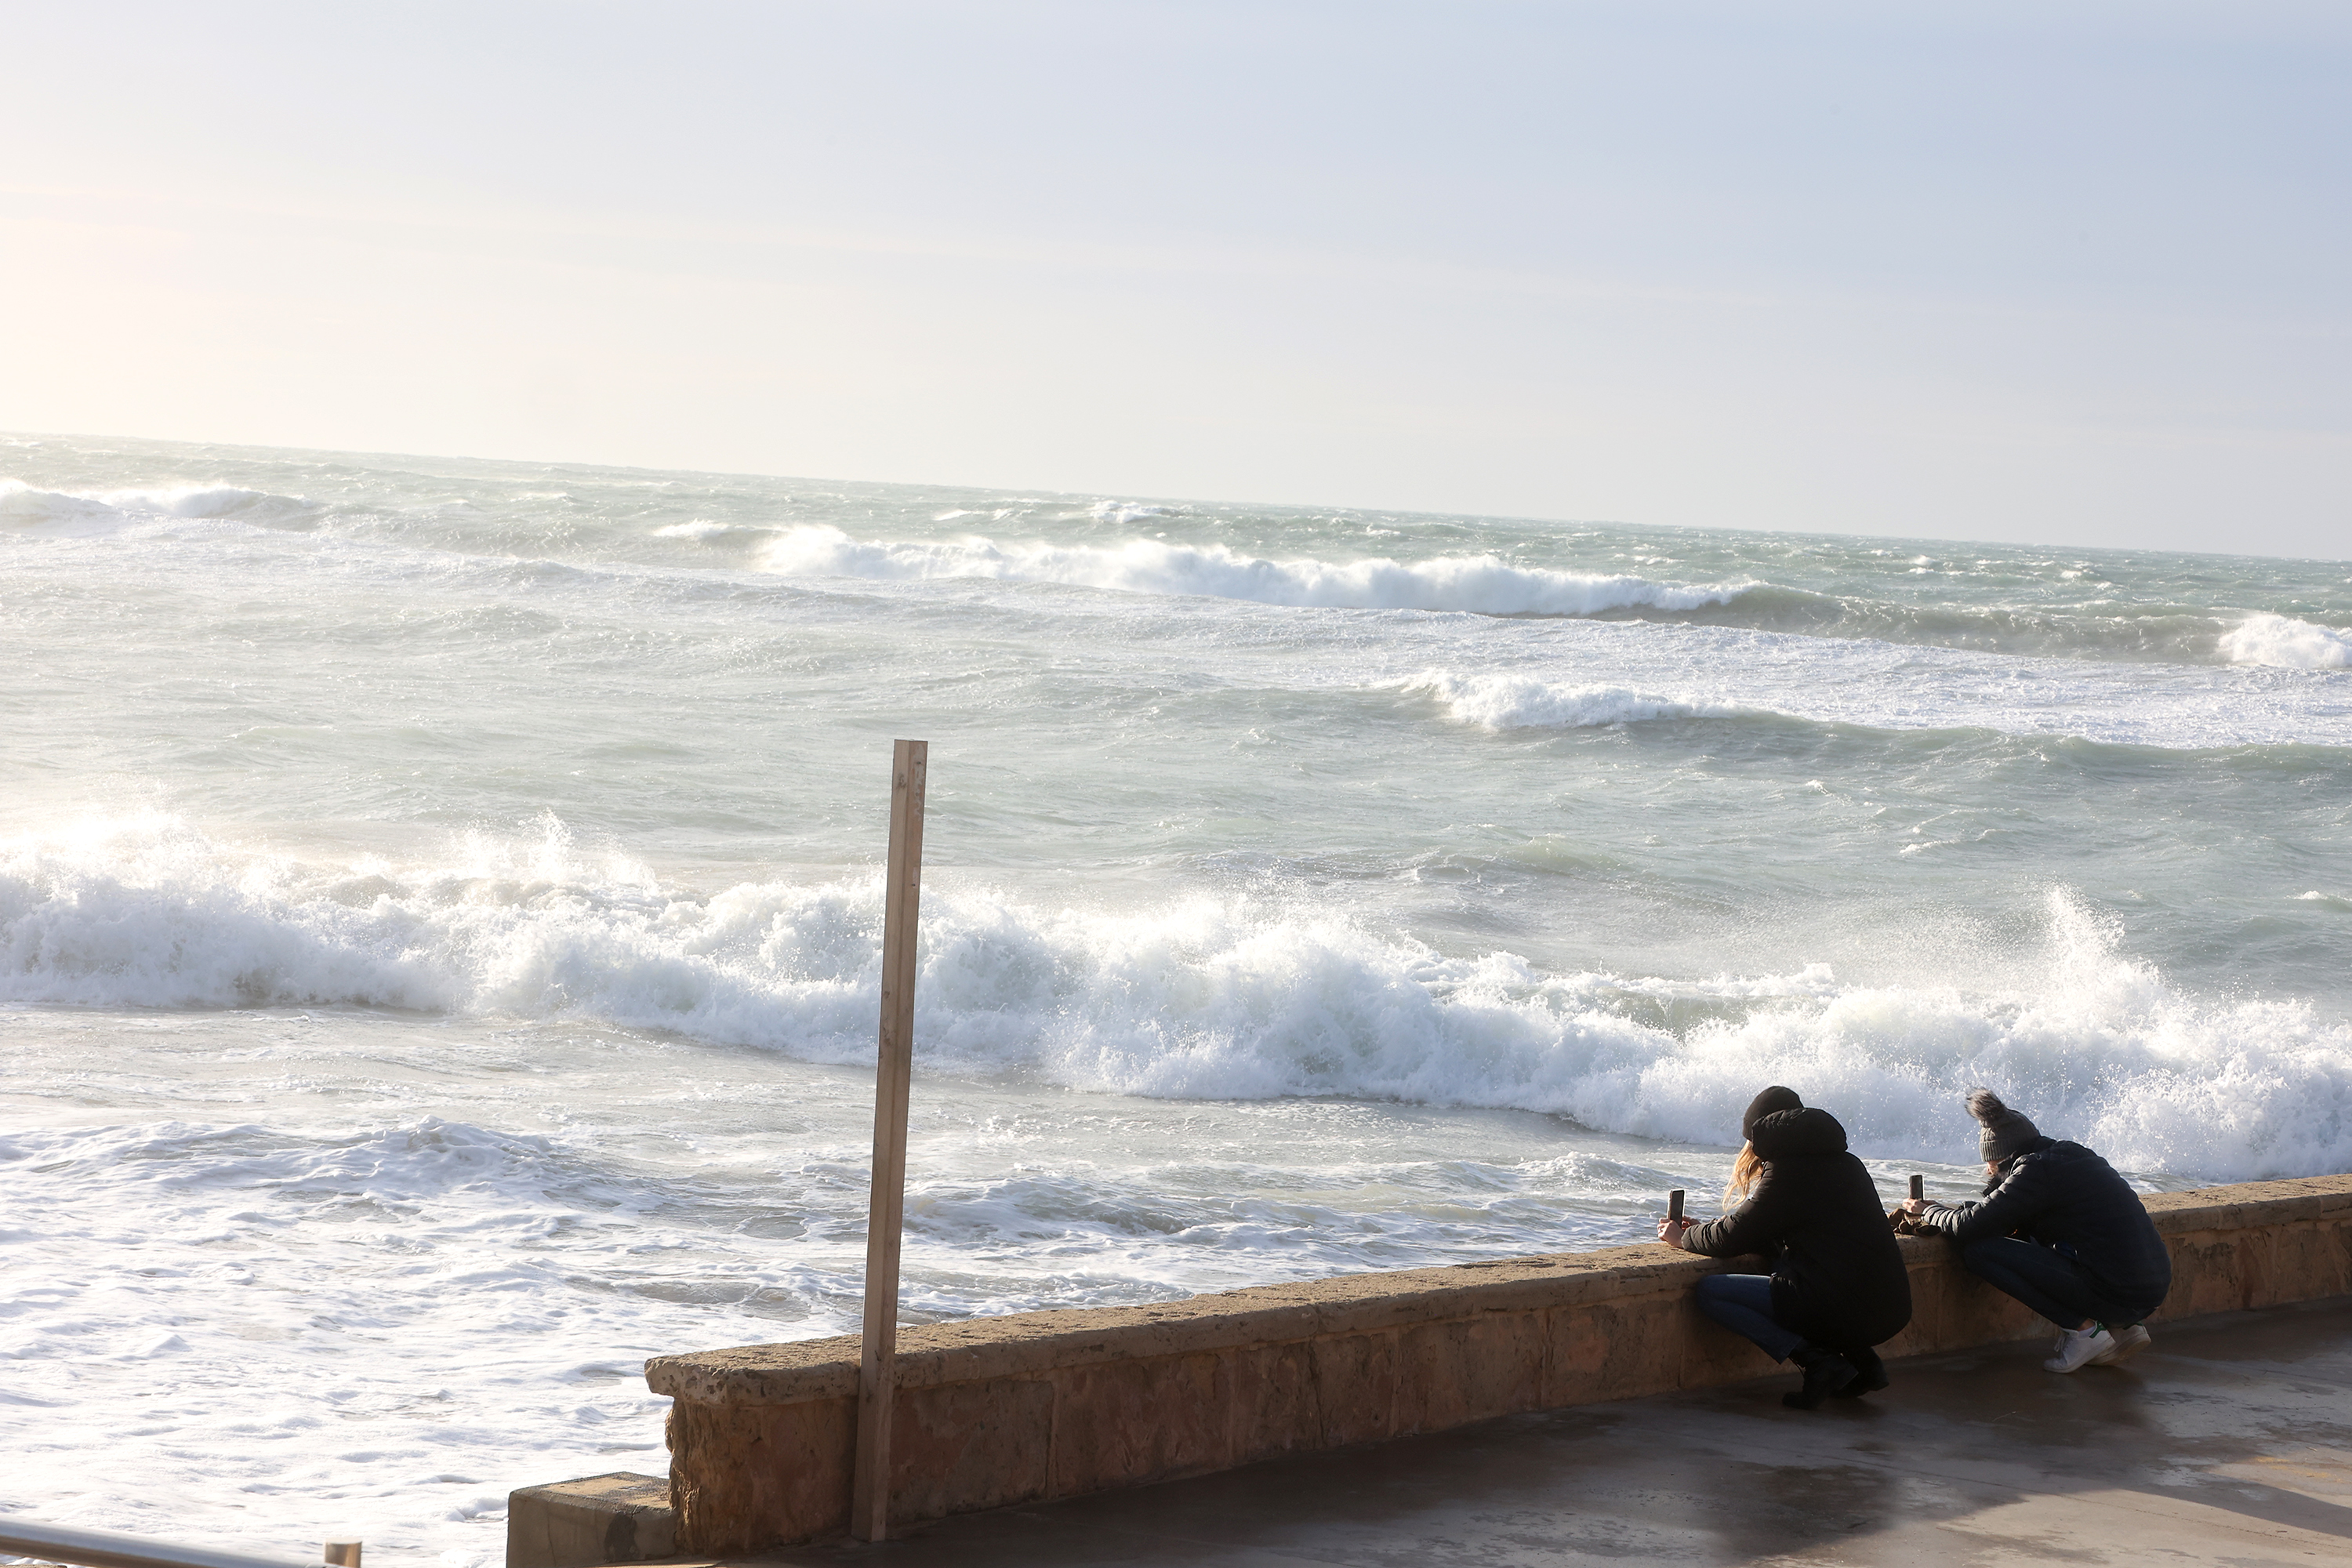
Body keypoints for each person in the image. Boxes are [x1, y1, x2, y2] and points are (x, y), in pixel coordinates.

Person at [1657, 1086, 1914, 1409]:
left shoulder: (1787, 1172)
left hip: (1848, 1310)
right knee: (1781, 1266)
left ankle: (1816, 1362)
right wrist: (1703, 1230)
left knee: (1711, 1292)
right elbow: (1768, 1233)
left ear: (1761, 1133)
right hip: (1891, 1308)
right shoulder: (1847, 1163)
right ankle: (1865, 1364)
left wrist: (1683, 1239)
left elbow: (1732, 1237)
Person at [1903, 1088, 2171, 1374]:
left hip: (2118, 1295)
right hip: (2149, 1291)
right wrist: (1957, 1209)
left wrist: (1928, 1212)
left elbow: (1971, 1227)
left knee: (1979, 1252)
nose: (1987, 1173)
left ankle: (2084, 1333)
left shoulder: (2033, 1171)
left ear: (1999, 1159)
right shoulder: (2069, 1155)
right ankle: (2125, 1329)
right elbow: (2001, 1214)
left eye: (1990, 1166)